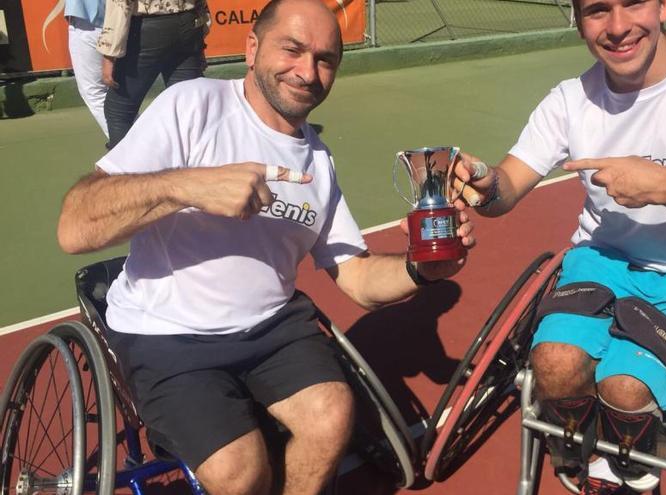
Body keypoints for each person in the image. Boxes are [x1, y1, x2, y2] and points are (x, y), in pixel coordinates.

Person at [57, 1, 474, 494]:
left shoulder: (318, 161)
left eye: (325, 60)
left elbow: (357, 279)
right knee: (242, 472)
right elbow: (74, 228)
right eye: (292, 50)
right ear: (252, 48)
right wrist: (189, 186)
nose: (308, 71)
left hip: (270, 326)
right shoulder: (193, 105)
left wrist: (422, 269)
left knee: (331, 417)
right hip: (168, 333)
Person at [453, 0, 666, 491]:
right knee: (551, 364)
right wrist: (484, 184)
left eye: (632, 3)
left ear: (664, 5)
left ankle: (631, 468)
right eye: (597, 10)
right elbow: (508, 184)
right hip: (601, 261)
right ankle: (575, 445)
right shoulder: (572, 99)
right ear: (577, 19)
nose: (617, 27)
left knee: (626, 388)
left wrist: (661, 184)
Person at [97, 0, 210, 149]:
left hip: (149, 29)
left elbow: (120, 2)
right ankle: (201, 166)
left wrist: (109, 53)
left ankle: (125, 170)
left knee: (118, 110)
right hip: (189, 23)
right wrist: (202, 25)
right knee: (189, 108)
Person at [66, 0, 110, 137]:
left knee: (94, 92)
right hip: (124, 18)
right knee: (120, 93)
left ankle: (129, 147)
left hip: (90, 20)